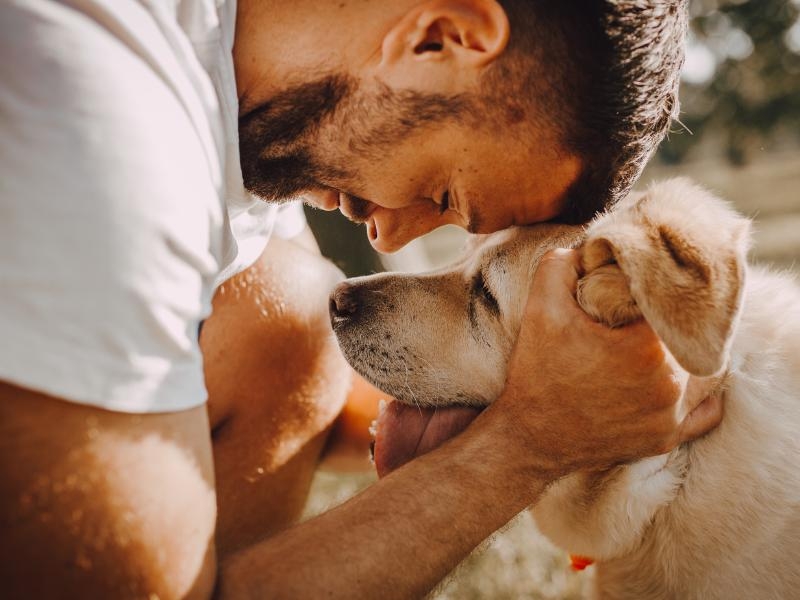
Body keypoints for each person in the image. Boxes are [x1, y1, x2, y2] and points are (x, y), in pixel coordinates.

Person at [0, 0, 721, 598]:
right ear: (441, 37)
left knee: (286, 317)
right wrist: (529, 444)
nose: (388, 230)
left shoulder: (242, 100)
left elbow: (305, 388)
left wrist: (583, 400)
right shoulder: (98, 118)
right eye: (444, 192)